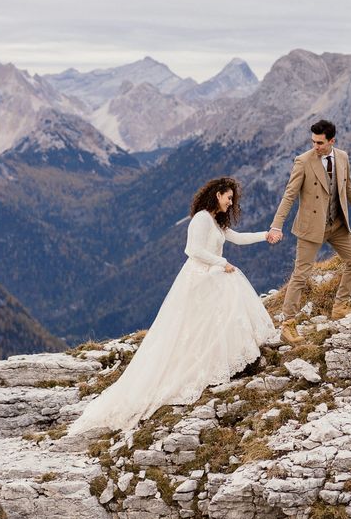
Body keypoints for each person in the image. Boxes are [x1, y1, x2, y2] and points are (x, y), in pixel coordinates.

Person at [69, 177, 276, 434]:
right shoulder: (201, 218)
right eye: (229, 197)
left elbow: (237, 238)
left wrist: (264, 236)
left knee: (216, 318)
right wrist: (221, 263)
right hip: (199, 277)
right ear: (217, 195)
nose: (231, 202)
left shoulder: (216, 220)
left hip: (211, 275)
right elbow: (193, 250)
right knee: (194, 324)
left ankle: (224, 360)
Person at [268, 119, 351, 345]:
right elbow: (289, 195)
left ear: (331, 141)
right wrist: (276, 225)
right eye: (313, 142)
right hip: (311, 228)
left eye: (320, 143)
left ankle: (340, 306)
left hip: (336, 224)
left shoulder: (343, 157)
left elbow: (349, 188)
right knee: (301, 275)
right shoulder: (303, 161)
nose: (315, 146)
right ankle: (287, 324)